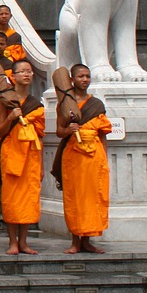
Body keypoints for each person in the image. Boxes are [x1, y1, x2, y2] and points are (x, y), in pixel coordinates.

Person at [58, 63, 111, 254]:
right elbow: (58, 131)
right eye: (80, 76)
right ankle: (75, 240)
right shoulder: (65, 103)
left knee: (92, 197)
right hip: (74, 157)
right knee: (75, 198)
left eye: (87, 76)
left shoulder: (96, 104)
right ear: (72, 79)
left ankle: (87, 240)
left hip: (94, 156)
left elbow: (103, 134)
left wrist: (104, 159)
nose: (85, 80)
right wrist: (68, 130)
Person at [0, 59, 41, 255]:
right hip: (12, 152)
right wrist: (11, 117)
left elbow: (40, 134)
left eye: (29, 71)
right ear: (12, 76)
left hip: (31, 154)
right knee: (12, 200)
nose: (26, 74)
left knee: (29, 199)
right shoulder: (4, 102)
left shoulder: (35, 104)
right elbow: (0, 129)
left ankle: (24, 242)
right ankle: (12, 241)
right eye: (21, 72)